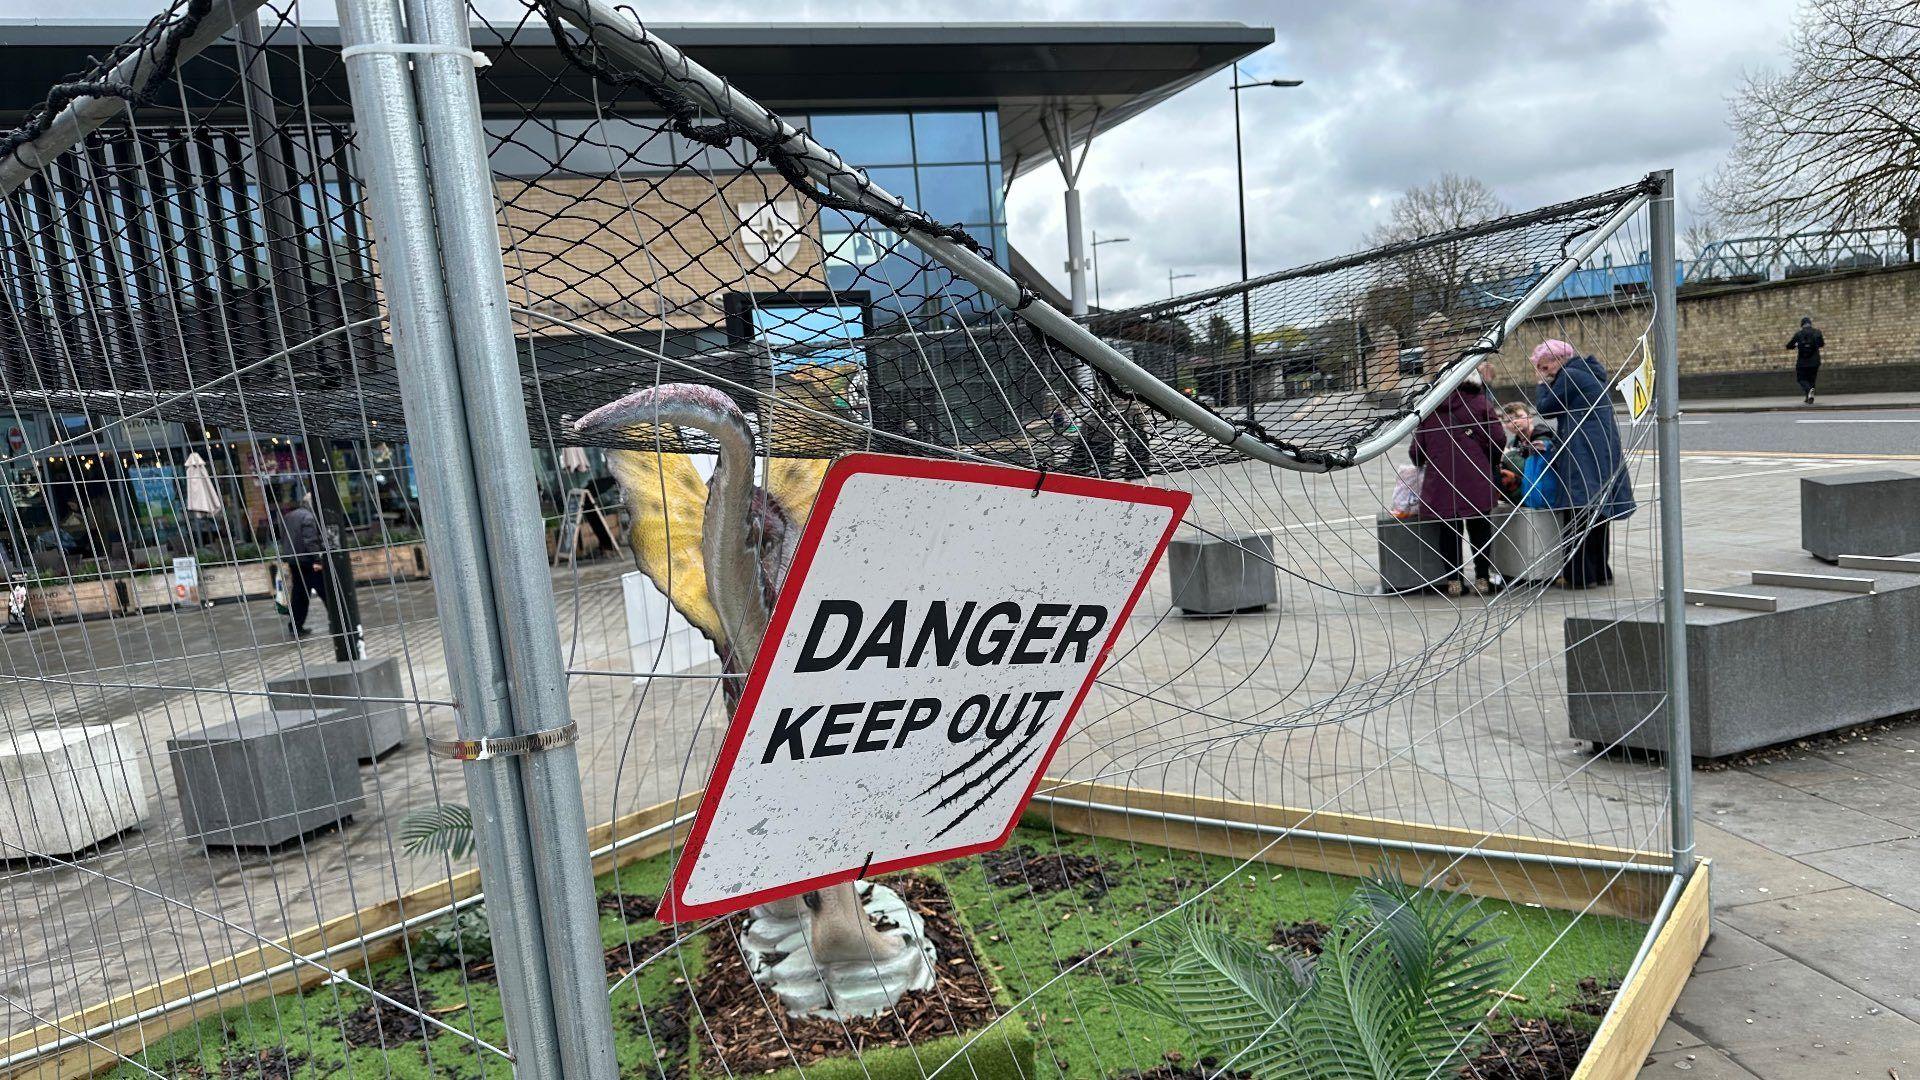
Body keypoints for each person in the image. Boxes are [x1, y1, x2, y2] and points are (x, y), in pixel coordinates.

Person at [1531, 339, 1635, 588]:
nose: (1544, 373)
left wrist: (1541, 385)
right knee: (1597, 511)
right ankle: (1600, 572)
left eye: (1545, 367)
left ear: (1559, 360)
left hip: (1583, 451)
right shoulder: (1588, 372)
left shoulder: (1570, 375)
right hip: (1601, 448)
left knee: (1578, 511)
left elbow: (1545, 408)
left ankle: (1580, 576)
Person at [1410, 361, 1504, 596]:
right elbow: (1499, 438)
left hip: (1441, 481)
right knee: (1480, 528)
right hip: (1476, 478)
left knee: (1448, 531)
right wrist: (1488, 459)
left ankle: (1454, 581)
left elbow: (1416, 452)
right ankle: (1482, 578)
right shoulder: (1481, 403)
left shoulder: (1429, 408)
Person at [277, 490, 344, 642]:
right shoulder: (309, 517)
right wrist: (318, 560)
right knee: (326, 591)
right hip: (308, 561)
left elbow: (286, 537)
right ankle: (336, 622)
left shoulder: (289, 516)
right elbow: (310, 541)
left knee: (300, 594)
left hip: (294, 560)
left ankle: (295, 626)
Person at [1497, 402, 1560, 508]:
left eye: (1519, 416)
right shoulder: (1513, 443)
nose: (1514, 421)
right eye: (1509, 420)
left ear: (1530, 417)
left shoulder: (1542, 438)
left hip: (1544, 493)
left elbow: (1535, 470)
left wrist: (1509, 456)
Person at [1786, 316, 1825, 405]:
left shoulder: (1799, 334)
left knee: (1801, 379)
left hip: (1802, 362)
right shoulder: (1817, 332)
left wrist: (1796, 344)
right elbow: (1822, 344)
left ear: (1802, 325)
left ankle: (1808, 392)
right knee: (1811, 380)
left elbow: (1789, 346)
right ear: (1810, 324)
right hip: (1815, 361)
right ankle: (1809, 397)